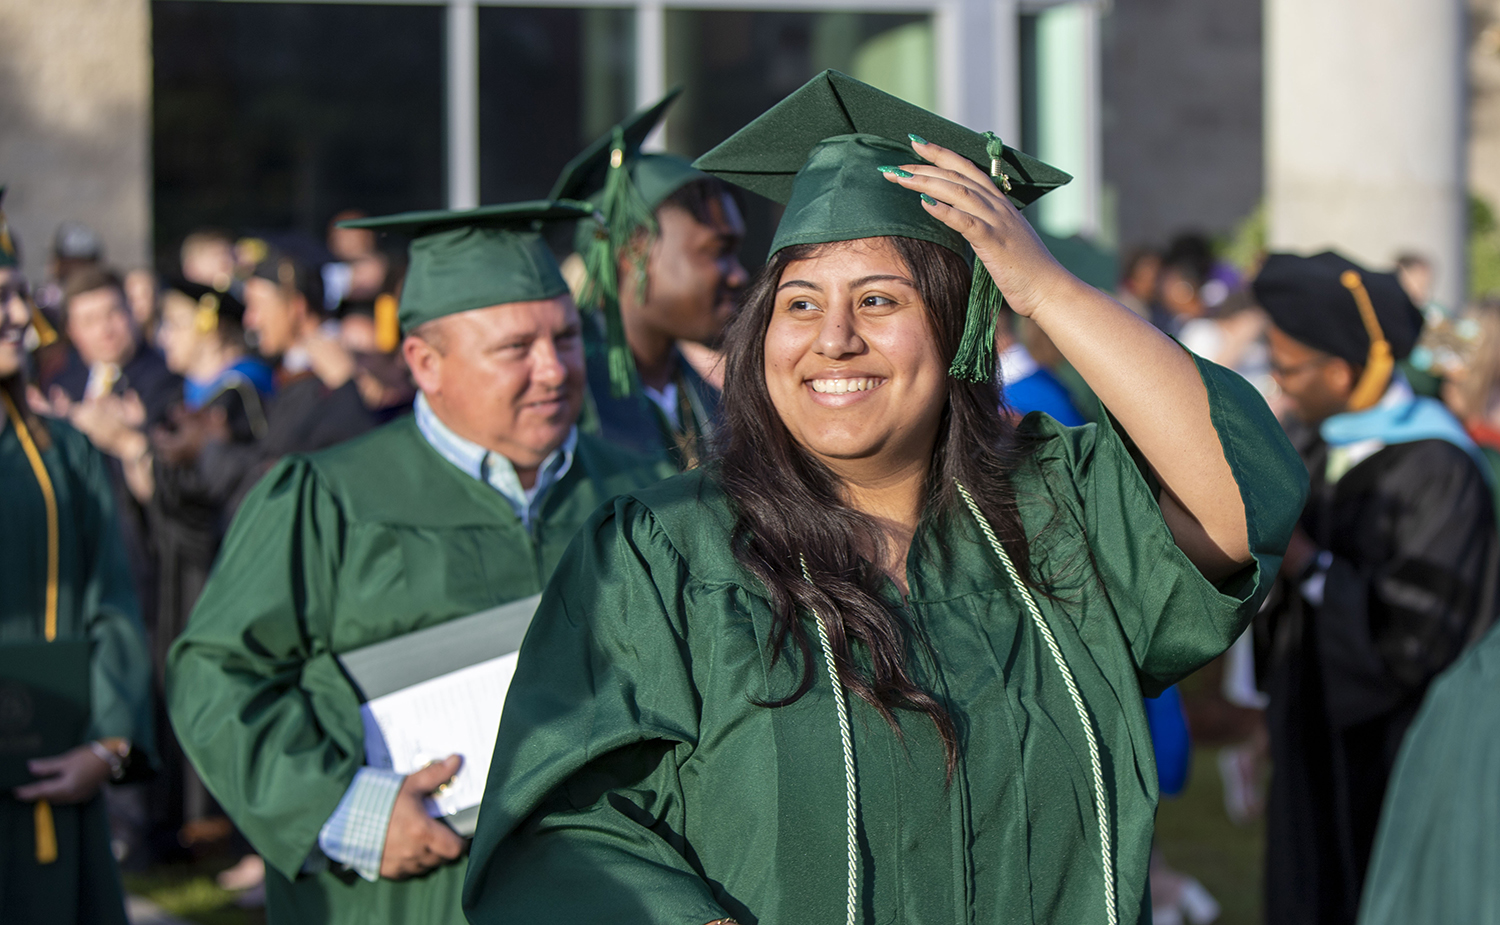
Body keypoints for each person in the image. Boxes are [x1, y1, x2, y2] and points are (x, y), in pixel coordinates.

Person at [462, 71, 1305, 925]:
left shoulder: (1055, 516)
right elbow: (558, 822)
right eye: (799, 303)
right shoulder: (663, 554)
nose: (833, 338)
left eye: (878, 299)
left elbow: (1241, 498)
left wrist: (1045, 286)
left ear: (961, 327)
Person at [167, 201, 673, 925]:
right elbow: (216, 670)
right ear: (424, 362)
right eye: (515, 348)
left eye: (566, 337)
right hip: (399, 896)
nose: (555, 368)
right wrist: (345, 809)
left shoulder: (642, 493)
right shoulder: (325, 498)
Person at [1251, 251, 1500, 925]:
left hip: (1398, 750)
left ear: (1343, 369)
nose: (1278, 382)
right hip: (1313, 736)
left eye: (1289, 366)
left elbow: (1421, 638)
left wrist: (1309, 564)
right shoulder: (1307, 443)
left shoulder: (1439, 468)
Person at [0, 192, 153, 925]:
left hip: (56, 777)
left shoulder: (65, 456)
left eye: (19, 296)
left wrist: (110, 739)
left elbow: (111, 600)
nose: (20, 318)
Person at [553, 90, 748, 468]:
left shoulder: (713, 399)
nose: (739, 275)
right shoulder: (566, 403)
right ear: (634, 251)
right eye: (717, 251)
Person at [199, 248, 378, 515]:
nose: (250, 321)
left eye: (257, 306)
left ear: (296, 307)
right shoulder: (291, 371)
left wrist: (346, 386)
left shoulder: (345, 376)